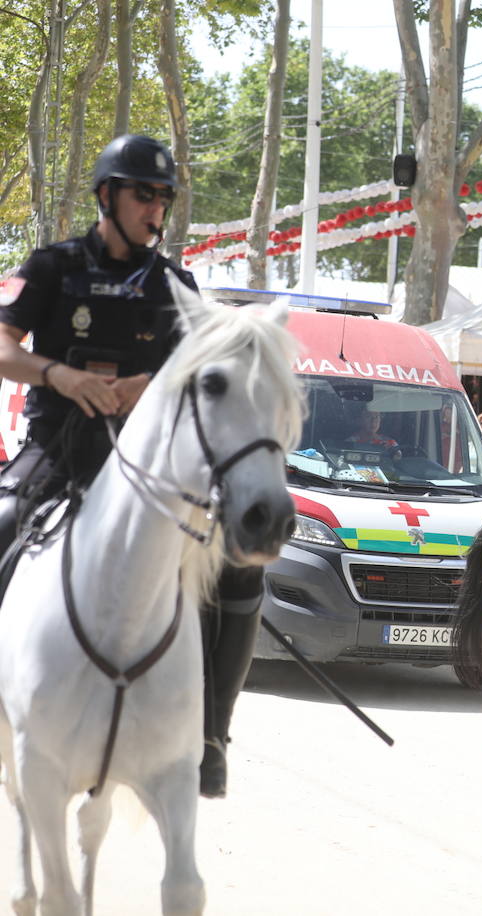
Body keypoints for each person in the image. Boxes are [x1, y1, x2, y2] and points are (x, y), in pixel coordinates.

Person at [0, 134, 263, 798]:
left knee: (233, 566)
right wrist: (59, 375)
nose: (156, 209)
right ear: (107, 196)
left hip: (148, 462)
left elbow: (204, 366)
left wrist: (146, 386)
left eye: (164, 197)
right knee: (2, 521)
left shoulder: (177, 283)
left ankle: (210, 737)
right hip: (59, 446)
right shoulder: (54, 265)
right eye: (144, 194)